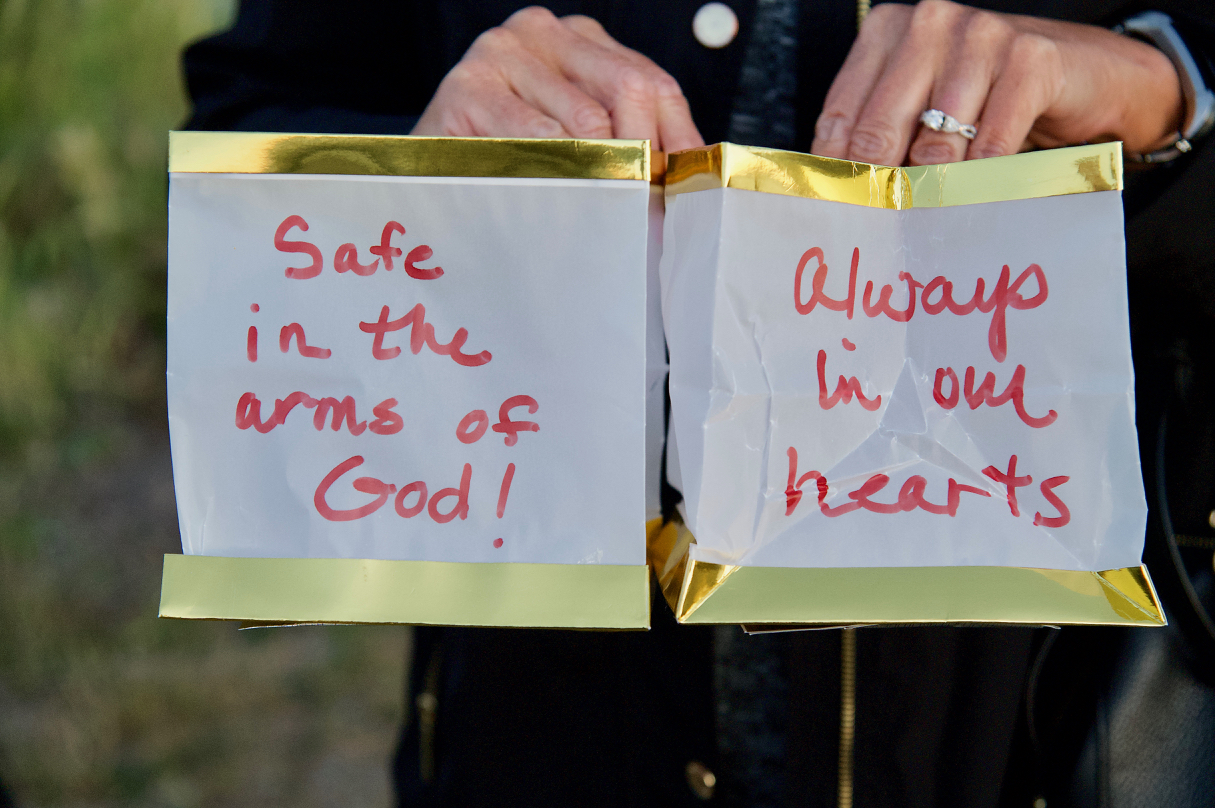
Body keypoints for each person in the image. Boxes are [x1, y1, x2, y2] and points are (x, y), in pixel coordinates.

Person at [183, 2, 1215, 805]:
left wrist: (1173, 93)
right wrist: (403, 171)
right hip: (539, 743)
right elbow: (259, 99)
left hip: (1035, 737)